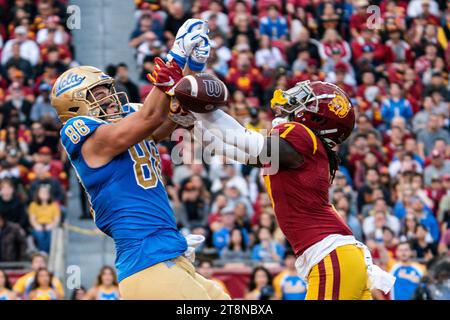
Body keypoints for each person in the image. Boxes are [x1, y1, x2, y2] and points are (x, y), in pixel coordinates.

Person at [191, 36, 395, 299]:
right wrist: (194, 122)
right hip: (337, 256)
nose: (294, 98)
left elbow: (242, 139)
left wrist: (199, 106)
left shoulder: (301, 136)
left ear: (316, 117)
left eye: (305, 99)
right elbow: (232, 149)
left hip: (331, 256)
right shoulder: (302, 150)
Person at [51, 19, 229, 300]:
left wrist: (192, 69)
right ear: (75, 106)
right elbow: (151, 117)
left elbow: (169, 116)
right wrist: (177, 54)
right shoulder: (86, 137)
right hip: (147, 263)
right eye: (98, 95)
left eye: (108, 90)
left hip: (167, 253)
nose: (110, 98)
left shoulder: (126, 123)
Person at [28, 184, 61, 253]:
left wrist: (51, 226)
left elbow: (56, 219)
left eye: (46, 192)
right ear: (38, 194)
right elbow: (32, 219)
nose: (44, 194)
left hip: (50, 225)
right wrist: (37, 226)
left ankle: (46, 253)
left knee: (50, 235)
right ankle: (43, 253)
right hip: (38, 226)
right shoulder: (33, 205)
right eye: (42, 192)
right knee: (40, 235)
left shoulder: (54, 205)